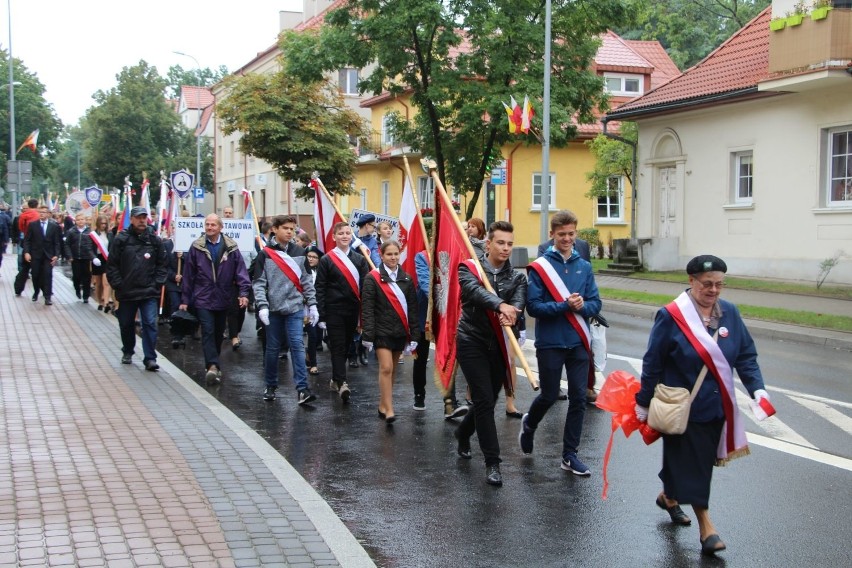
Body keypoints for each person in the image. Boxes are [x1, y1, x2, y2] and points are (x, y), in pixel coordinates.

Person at [634, 255, 769, 556]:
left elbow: (745, 355)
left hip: (717, 407)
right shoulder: (671, 316)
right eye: (707, 284)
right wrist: (643, 402)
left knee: (696, 462)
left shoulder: (730, 313)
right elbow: (653, 362)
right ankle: (707, 528)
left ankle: (669, 496)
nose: (713, 290)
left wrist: (757, 390)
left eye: (719, 284)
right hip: (680, 408)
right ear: (691, 281)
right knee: (695, 468)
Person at [520, 209, 601, 477]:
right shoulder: (542, 266)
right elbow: (534, 307)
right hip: (551, 342)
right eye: (562, 234)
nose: (567, 239)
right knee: (549, 394)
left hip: (578, 342)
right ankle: (529, 424)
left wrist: (583, 306)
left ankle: (570, 455)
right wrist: (564, 306)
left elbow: (596, 303)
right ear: (552, 234)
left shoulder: (584, 266)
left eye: (571, 234)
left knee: (578, 398)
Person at [453, 221, 526, 487]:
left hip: (500, 344)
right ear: (488, 244)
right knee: (483, 399)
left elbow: (518, 304)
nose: (505, 248)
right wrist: (501, 305)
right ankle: (493, 463)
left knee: (489, 399)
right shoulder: (469, 268)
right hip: (471, 340)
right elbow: (475, 292)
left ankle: (463, 431)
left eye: (509, 243)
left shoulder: (518, 277)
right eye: (500, 243)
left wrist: (512, 312)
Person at [253, 215, 319, 404]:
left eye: (293, 228)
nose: (290, 232)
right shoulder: (265, 254)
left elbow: (306, 280)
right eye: (286, 228)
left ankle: (302, 388)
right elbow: (259, 283)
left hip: (295, 307)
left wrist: (312, 304)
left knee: (297, 345)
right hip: (273, 309)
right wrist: (262, 306)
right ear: (275, 229)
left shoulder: (299, 252)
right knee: (272, 348)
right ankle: (271, 384)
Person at [179, 213, 251, 384]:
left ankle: (213, 362)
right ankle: (212, 365)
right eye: (207, 224)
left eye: (213, 225)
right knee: (208, 330)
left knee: (218, 333)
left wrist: (243, 293)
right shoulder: (197, 247)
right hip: (203, 296)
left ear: (220, 227)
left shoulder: (231, 248)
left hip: (224, 296)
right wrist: (184, 300)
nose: (209, 227)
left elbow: (241, 272)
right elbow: (188, 275)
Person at [361, 240, 420, 424]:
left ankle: (382, 404)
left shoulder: (407, 279)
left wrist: (415, 335)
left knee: (392, 370)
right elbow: (367, 308)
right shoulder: (372, 278)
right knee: (386, 367)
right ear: (382, 255)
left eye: (396, 254)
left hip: (400, 331)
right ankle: (390, 409)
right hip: (381, 331)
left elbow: (412, 309)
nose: (393, 257)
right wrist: (368, 335)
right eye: (389, 254)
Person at [106, 207, 167, 370]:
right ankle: (128, 350)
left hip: (148, 291)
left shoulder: (154, 240)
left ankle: (150, 358)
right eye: (138, 217)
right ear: (131, 219)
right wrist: (119, 284)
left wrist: (157, 283)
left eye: (144, 217)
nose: (142, 220)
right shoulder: (121, 239)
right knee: (126, 324)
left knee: (149, 323)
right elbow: (112, 265)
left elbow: (162, 264)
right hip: (127, 292)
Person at [315, 221, 370, 402]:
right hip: (334, 310)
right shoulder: (326, 260)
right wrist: (321, 315)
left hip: (352, 310)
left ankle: (334, 379)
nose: (345, 236)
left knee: (346, 346)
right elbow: (320, 288)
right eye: (341, 233)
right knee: (337, 345)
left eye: (348, 233)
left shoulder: (360, 260)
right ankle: (343, 383)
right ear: (334, 237)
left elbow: (365, 288)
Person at [411, 250, 468, 417]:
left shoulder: (452, 253)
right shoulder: (422, 256)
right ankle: (419, 395)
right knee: (421, 358)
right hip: (426, 314)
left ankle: (450, 403)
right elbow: (424, 283)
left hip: (447, 315)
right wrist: (446, 300)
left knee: (448, 355)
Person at [22, 205, 63, 305]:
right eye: (40, 212)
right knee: (35, 275)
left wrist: (56, 255)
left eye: (44, 212)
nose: (41, 214)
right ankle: (36, 291)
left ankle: (47, 296)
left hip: (48, 256)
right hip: (35, 255)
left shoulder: (54, 226)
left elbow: (57, 242)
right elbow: (27, 240)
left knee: (48, 275)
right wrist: (26, 252)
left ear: (48, 214)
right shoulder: (33, 225)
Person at [64, 213, 96, 303]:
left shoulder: (89, 232)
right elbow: (67, 244)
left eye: (82, 219)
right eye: (78, 220)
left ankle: (86, 295)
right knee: (76, 276)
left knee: (87, 277)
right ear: (75, 221)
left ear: (85, 220)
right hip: (75, 258)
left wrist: (93, 257)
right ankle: (77, 289)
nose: (80, 221)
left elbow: (93, 245)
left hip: (86, 258)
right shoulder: (71, 231)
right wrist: (69, 256)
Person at [303, 246, 323, 375]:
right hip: (303, 308)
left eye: (314, 257)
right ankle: (313, 364)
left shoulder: (320, 273)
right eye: (309, 256)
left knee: (316, 337)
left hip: (317, 307)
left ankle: (309, 355)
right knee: (312, 334)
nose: (311, 259)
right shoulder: (301, 270)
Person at [13, 199, 40, 296]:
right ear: (37, 205)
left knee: (24, 268)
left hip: (26, 241)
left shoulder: (23, 216)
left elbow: (20, 227)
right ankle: (43, 291)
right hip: (37, 243)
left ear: (28, 205)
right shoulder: (38, 215)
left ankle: (18, 288)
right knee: (39, 268)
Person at [90, 215, 114, 313]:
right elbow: (90, 249)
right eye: (102, 223)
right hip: (97, 259)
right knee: (99, 283)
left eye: (105, 223)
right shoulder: (93, 235)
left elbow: (112, 247)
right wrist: (93, 258)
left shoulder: (110, 234)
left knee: (106, 282)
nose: (103, 225)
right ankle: (100, 301)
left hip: (106, 259)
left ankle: (106, 303)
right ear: (98, 223)